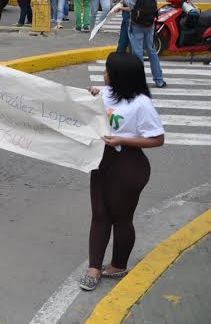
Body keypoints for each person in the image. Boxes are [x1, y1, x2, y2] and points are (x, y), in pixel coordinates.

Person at [79, 53, 165, 291]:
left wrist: (122, 139)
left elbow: (157, 139)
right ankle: (94, 268)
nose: (104, 75)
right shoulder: (105, 93)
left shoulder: (141, 104)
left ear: (120, 76)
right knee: (99, 214)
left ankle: (118, 265)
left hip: (128, 166)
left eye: (108, 71)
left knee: (121, 219)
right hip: (101, 162)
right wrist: (91, 96)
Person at [114, 0, 166, 88]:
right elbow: (150, 3)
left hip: (137, 24)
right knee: (151, 50)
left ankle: (138, 82)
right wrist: (122, 8)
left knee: (137, 53)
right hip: (149, 23)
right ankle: (159, 80)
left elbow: (132, 6)